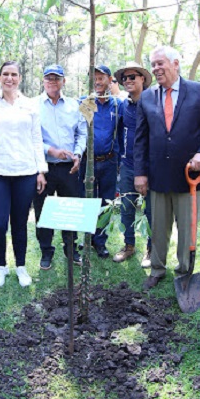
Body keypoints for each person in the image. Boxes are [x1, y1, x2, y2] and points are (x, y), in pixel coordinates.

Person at [134, 46, 200, 290]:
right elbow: (140, 139)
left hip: (190, 177)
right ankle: (157, 269)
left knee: (187, 231)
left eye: (160, 63)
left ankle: (184, 271)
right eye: (153, 64)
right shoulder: (147, 97)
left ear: (175, 63)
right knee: (159, 229)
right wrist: (140, 173)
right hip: (158, 177)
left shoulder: (198, 91)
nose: (156, 68)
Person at [0, 61, 48, 288]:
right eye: (5, 74)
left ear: (20, 78)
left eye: (14, 74)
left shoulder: (30, 105)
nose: (9, 78)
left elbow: (36, 139)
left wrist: (41, 170)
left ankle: (20, 266)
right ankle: (1, 266)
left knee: (19, 223)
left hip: (25, 172)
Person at [33, 64, 87, 270]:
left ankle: (71, 249)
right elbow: (32, 136)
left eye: (57, 78)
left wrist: (78, 154)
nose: (52, 82)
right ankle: (46, 250)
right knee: (42, 209)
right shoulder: (33, 105)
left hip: (69, 168)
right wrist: (51, 151)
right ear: (43, 81)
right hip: (43, 167)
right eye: (49, 78)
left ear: (64, 81)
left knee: (71, 209)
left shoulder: (75, 105)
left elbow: (82, 133)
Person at [78, 64, 124, 258]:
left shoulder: (117, 104)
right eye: (94, 77)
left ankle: (100, 241)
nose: (97, 81)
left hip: (109, 161)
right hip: (87, 162)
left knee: (106, 202)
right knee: (88, 200)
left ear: (109, 79)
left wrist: (119, 158)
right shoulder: (84, 102)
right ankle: (87, 238)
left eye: (101, 77)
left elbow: (121, 132)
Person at [112, 62, 153, 267]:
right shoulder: (123, 105)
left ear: (142, 79)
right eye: (125, 78)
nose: (128, 81)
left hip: (150, 166)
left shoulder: (153, 102)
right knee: (127, 208)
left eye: (132, 77)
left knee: (151, 210)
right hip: (127, 165)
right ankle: (129, 245)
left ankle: (151, 249)